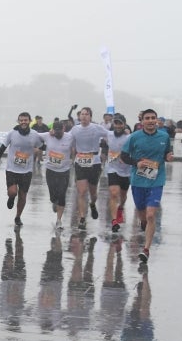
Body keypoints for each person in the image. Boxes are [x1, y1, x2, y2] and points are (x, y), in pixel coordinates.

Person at [120, 108, 173, 263]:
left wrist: (168, 157)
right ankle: (143, 223)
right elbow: (123, 156)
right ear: (142, 121)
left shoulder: (164, 136)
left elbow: (167, 153)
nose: (150, 121)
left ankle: (146, 249)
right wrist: (137, 162)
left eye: (153, 118)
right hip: (138, 181)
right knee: (143, 215)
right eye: (147, 118)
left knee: (151, 215)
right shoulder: (134, 137)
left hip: (157, 180)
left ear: (156, 120)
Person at [0, 112, 44, 227]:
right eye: (21, 120)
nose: (23, 122)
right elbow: (2, 148)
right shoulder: (12, 133)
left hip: (27, 171)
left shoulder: (34, 134)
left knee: (23, 195)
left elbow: (42, 146)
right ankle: (11, 198)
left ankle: (18, 216)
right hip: (12, 169)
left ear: (30, 121)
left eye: (25, 120)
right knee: (13, 192)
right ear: (18, 121)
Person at [70, 107, 108, 230]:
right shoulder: (75, 129)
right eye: (82, 114)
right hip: (80, 161)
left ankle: (92, 204)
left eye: (87, 114)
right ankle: (82, 218)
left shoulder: (96, 128)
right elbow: (66, 140)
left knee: (93, 192)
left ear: (90, 117)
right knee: (81, 192)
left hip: (94, 161)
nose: (84, 116)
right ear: (79, 116)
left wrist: (125, 133)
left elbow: (109, 135)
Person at [38, 120, 75, 230]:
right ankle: (54, 201)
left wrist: (73, 159)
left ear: (64, 129)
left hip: (64, 171)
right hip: (50, 171)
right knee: (53, 196)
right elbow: (33, 135)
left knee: (62, 195)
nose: (58, 133)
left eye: (60, 130)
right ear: (53, 129)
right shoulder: (47, 136)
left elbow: (82, 139)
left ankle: (59, 221)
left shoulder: (70, 137)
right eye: (56, 130)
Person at [103, 114, 132, 232]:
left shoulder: (129, 137)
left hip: (126, 170)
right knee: (114, 193)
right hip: (112, 168)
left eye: (120, 123)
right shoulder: (108, 135)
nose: (118, 126)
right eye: (116, 123)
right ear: (113, 124)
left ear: (124, 124)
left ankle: (121, 208)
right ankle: (114, 220)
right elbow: (93, 130)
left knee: (123, 196)